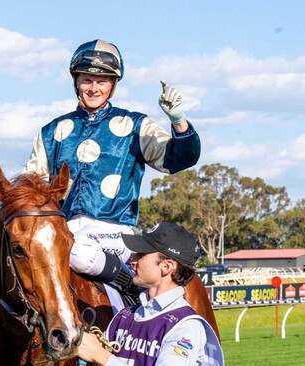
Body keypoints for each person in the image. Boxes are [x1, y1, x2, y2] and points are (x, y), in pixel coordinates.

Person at [23, 39, 201, 298]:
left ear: (113, 85)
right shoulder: (51, 132)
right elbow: (32, 190)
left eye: (102, 81)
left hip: (114, 231)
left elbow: (180, 158)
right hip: (65, 227)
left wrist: (178, 120)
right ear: (76, 82)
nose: (93, 88)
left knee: (73, 252)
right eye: (87, 80)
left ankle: (129, 286)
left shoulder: (136, 124)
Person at [77, 222, 224, 366]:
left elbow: (100, 356)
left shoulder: (186, 326)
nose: (132, 261)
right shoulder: (124, 316)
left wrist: (101, 356)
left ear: (166, 266)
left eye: (141, 254)